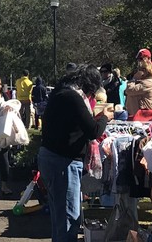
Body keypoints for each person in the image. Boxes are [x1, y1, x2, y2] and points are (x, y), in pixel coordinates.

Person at [39, 66, 113, 242]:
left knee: (59, 217)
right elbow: (93, 131)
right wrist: (105, 117)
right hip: (63, 162)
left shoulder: (62, 93)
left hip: (52, 158)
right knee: (68, 218)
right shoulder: (73, 98)